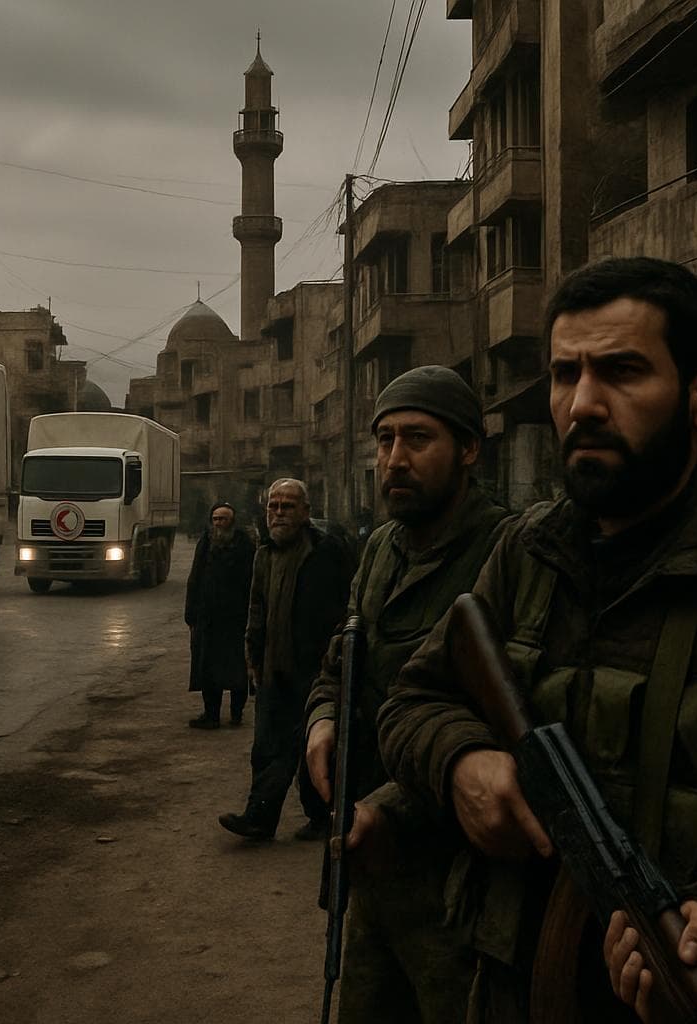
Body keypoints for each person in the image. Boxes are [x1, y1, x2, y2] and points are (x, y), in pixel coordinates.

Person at [379, 257, 697, 1021]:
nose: (583, 404)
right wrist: (461, 761)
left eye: (622, 371)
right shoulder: (529, 551)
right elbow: (411, 701)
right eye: (566, 375)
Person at [302, 366, 511, 1022]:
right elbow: (343, 656)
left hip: (458, 884)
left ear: (469, 448)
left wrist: (389, 808)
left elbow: (498, 721)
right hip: (371, 862)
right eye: (385, 439)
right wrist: (324, 717)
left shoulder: (506, 552)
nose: (394, 458)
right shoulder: (383, 549)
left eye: (418, 439)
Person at [217, 478, 353, 841]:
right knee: (266, 748)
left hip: (314, 670)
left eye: (287, 506)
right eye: (273, 506)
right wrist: (252, 655)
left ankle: (320, 816)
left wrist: (335, 663)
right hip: (272, 669)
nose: (278, 513)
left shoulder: (325, 552)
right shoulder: (265, 554)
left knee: (311, 747)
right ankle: (260, 818)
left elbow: (345, 607)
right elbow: (257, 607)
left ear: (305, 512)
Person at [184, 501, 256, 729]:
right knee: (208, 669)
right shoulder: (206, 542)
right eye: (215, 519)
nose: (218, 523)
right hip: (209, 618)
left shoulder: (244, 544)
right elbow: (195, 576)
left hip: (236, 619)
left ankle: (236, 713)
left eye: (223, 519)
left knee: (237, 669)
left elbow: (253, 581)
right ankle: (211, 714)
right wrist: (191, 613)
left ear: (231, 521)